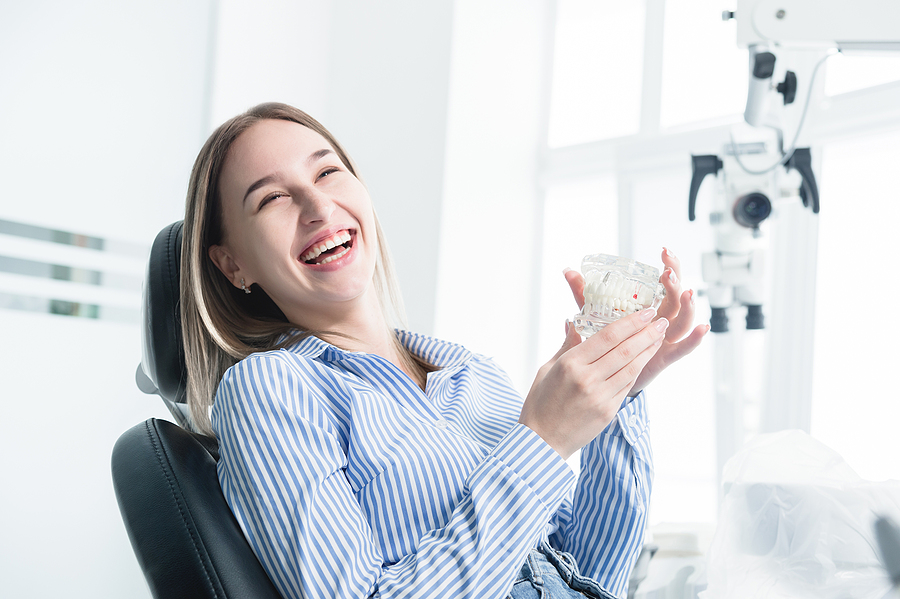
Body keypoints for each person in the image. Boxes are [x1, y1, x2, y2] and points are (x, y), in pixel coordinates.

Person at [180, 102, 708, 599]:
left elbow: (593, 573)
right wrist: (542, 441)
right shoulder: (268, 390)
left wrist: (620, 389)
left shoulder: (473, 374)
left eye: (327, 173)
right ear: (233, 265)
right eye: (272, 198)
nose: (318, 206)